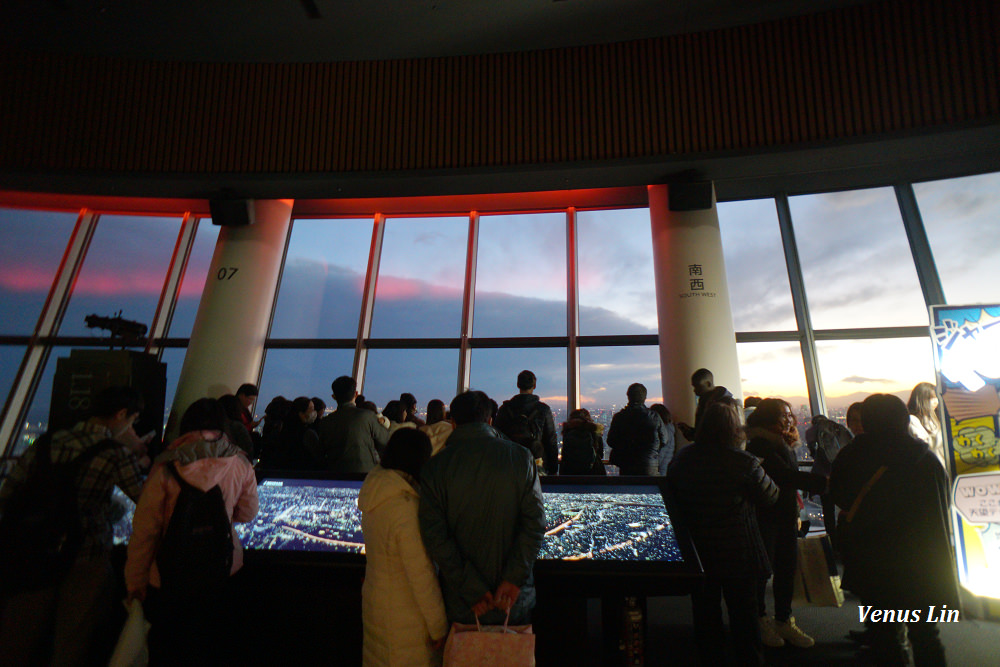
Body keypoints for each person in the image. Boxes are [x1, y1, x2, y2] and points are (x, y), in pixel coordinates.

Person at [0, 386, 146, 667]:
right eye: (131, 422)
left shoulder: (46, 442)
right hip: (86, 555)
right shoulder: (115, 453)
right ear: (121, 415)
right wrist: (137, 453)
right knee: (72, 639)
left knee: (18, 635)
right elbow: (143, 499)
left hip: (32, 552)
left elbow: (9, 494)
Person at [125, 397, 259, 666]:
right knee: (211, 644)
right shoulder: (240, 463)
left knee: (169, 647)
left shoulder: (165, 466)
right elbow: (248, 513)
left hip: (168, 573)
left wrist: (135, 584)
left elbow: (145, 532)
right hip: (222, 568)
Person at [830, 393, 959, 667]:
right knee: (926, 633)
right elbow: (943, 501)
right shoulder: (924, 458)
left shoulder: (851, 455)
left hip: (872, 561)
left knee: (883, 634)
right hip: (921, 563)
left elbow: (839, 496)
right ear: (902, 418)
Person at [419, 390, 545, 626]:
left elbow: (435, 537)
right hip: (512, 600)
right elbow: (535, 524)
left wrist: (471, 588)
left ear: (452, 422)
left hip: (465, 602)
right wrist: (513, 579)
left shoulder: (435, 468)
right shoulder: (521, 458)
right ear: (489, 421)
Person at [668, 399, 779, 667]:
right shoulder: (744, 462)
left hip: (699, 552)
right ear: (735, 430)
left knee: (706, 615)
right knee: (744, 616)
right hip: (738, 552)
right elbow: (771, 496)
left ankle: (711, 658)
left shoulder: (683, 459)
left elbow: (673, 498)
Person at [359, 429, 448, 667]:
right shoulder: (406, 507)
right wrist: (438, 627)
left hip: (376, 600)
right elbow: (420, 575)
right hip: (404, 613)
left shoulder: (376, 491)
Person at [745, 398, 827, 649]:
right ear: (769, 418)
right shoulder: (760, 444)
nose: (789, 419)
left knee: (785, 569)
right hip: (766, 516)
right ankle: (761, 620)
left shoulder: (779, 441)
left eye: (790, 414)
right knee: (765, 570)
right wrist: (826, 483)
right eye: (784, 415)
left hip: (783, 514)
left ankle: (781, 619)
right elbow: (785, 476)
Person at [316, 376, 389, 473]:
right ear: (356, 394)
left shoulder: (325, 422)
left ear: (334, 397)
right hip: (364, 474)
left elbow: (320, 452)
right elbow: (385, 440)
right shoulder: (367, 416)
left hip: (335, 474)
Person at [494, 370, 559, 475]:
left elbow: (496, 438)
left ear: (518, 385)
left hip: (509, 465)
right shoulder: (543, 410)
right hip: (536, 465)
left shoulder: (505, 409)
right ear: (534, 385)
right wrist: (552, 469)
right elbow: (550, 441)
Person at [606, 383, 672, 475]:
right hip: (649, 465)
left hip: (626, 463)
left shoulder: (620, 417)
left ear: (628, 396)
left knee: (629, 488)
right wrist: (652, 451)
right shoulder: (654, 417)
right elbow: (664, 440)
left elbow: (611, 441)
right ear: (644, 397)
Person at [677, 368, 734, 441]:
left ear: (708, 384)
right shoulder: (703, 403)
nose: (694, 390)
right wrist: (689, 432)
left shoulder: (726, 403)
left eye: (697, 386)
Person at [907, 382, 945, 467]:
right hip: (931, 469)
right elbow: (924, 446)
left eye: (937, 397)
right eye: (932, 398)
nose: (936, 401)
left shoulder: (936, 417)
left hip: (943, 468)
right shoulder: (913, 420)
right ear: (921, 399)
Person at [559, 408, 606, 475]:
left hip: (570, 472)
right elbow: (600, 454)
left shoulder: (567, 431)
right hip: (593, 472)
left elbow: (565, 454)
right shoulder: (594, 432)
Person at [650, 403, 677, 474]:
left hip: (659, 472)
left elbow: (660, 455)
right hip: (664, 471)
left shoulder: (663, 432)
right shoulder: (669, 429)